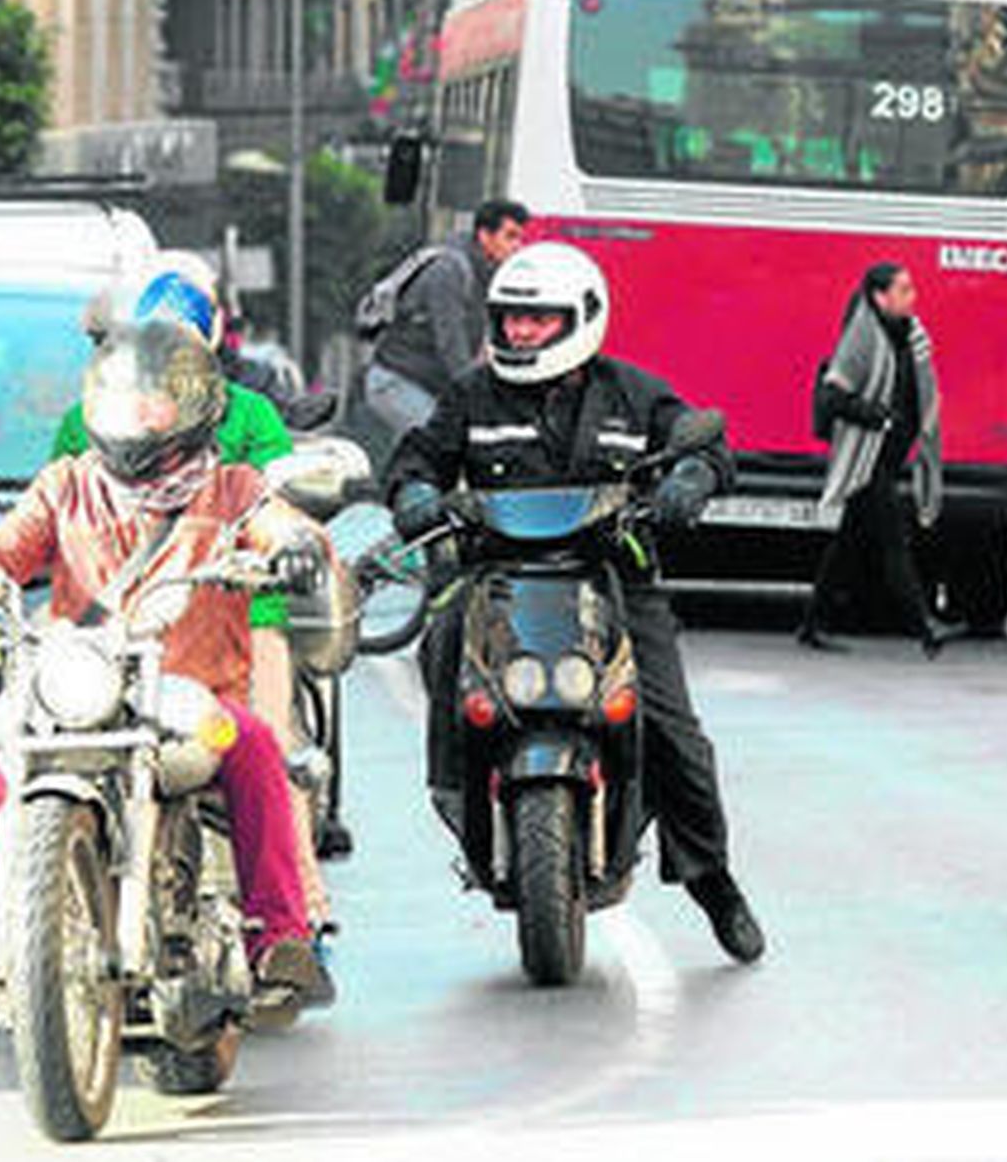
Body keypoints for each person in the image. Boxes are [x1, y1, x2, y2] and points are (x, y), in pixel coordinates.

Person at [0, 323, 337, 1008]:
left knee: (259, 746)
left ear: (196, 407)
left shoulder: (234, 489)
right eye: (125, 400)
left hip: (190, 698)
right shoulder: (67, 484)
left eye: (155, 402)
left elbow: (282, 523)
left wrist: (296, 545)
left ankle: (279, 939)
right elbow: (11, 542)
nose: (137, 417)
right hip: (81, 688)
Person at [386, 242, 766, 964]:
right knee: (441, 652)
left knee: (675, 733)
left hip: (613, 580)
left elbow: (707, 446)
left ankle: (713, 881)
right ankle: (459, 794)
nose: (521, 331)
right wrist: (413, 494)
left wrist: (690, 478)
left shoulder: (632, 393)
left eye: (539, 320)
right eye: (511, 318)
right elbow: (417, 458)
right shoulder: (472, 395)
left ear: (582, 319)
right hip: (497, 578)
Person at [53, 265, 339, 924]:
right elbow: (57, 507)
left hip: (240, 611)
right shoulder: (85, 418)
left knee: (268, 752)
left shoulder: (250, 414)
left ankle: (299, 915)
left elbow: (276, 506)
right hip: (118, 621)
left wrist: (282, 544)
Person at [800, 263, 954, 657]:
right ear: (879, 297)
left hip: (890, 454)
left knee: (846, 543)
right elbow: (833, 397)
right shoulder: (863, 338)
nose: (912, 296)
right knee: (894, 542)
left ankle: (812, 624)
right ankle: (925, 628)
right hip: (866, 456)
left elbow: (919, 388)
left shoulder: (911, 334)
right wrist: (880, 418)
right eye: (903, 289)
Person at [364, 199, 529, 443]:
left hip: (425, 387)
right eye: (510, 236)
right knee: (442, 442)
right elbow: (451, 343)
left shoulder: (485, 274)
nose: (517, 246)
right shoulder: (449, 270)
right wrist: (478, 399)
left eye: (520, 238)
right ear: (485, 236)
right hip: (397, 382)